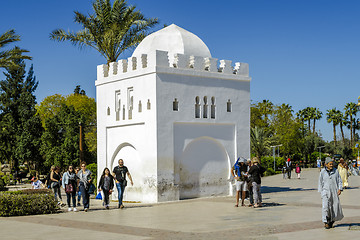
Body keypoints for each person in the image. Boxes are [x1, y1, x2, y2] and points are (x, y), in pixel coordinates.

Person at [318, 157, 343, 229]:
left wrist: (339, 189)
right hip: (325, 191)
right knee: (325, 206)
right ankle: (325, 221)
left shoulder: (336, 171)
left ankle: (331, 221)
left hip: (334, 192)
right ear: (326, 164)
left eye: (332, 164)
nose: (331, 165)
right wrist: (321, 191)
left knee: (333, 207)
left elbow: (339, 180)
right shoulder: (322, 172)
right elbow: (320, 182)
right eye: (330, 164)